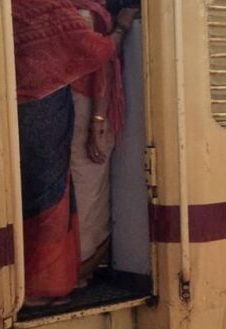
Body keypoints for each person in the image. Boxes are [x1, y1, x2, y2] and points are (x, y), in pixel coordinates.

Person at [12, 0, 137, 307]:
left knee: (31, 197)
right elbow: (96, 53)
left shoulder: (15, 7)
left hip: (18, 109)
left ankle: (37, 279)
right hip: (48, 108)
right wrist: (121, 27)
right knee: (52, 198)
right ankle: (46, 285)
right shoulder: (63, 11)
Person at [69, 0, 128, 288]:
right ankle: (80, 267)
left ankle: (79, 267)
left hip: (74, 109)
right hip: (88, 110)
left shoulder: (68, 12)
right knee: (89, 189)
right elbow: (100, 64)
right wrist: (99, 119)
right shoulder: (86, 15)